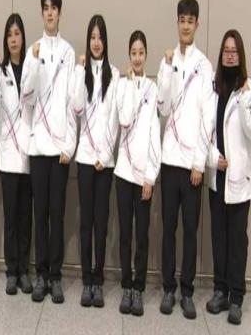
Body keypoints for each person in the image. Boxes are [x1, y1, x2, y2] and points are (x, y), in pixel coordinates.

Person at [157, 0, 215, 319]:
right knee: (168, 229)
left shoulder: (204, 66)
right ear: (177, 22)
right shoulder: (168, 61)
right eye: (182, 20)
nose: (185, 25)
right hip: (169, 160)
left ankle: (187, 291)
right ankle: (168, 289)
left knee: (190, 231)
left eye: (190, 20)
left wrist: (198, 162)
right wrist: (167, 69)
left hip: (191, 165)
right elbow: (163, 107)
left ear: (197, 24)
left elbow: (208, 118)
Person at [205, 29, 251, 325]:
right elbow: (205, 130)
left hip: (239, 181)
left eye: (234, 51)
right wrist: (211, 158)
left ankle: (237, 297)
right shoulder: (213, 88)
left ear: (240, 55)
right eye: (226, 51)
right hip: (217, 178)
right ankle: (220, 291)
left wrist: (243, 100)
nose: (230, 55)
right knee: (219, 238)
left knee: (237, 242)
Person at [25, 0, 77, 304]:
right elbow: (26, 96)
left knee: (57, 215)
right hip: (38, 149)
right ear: (41, 12)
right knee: (39, 214)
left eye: (53, 8)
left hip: (59, 152)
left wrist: (69, 146)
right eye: (45, 7)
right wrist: (33, 63)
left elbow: (72, 103)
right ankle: (41, 275)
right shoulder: (34, 50)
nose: (49, 12)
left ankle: (55, 276)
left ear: (59, 12)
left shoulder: (69, 52)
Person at [0, 13, 38, 295]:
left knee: (25, 218)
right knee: (11, 219)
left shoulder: (31, 67)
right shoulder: (0, 72)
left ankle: (24, 270)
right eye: (9, 35)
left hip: (28, 154)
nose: (13, 39)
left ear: (23, 37)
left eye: (17, 34)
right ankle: (11, 271)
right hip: (8, 157)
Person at [72, 15, 119, 308]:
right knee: (86, 222)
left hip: (105, 162)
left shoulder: (115, 75)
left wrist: (104, 154)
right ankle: (86, 280)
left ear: (105, 41)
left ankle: (99, 280)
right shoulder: (82, 72)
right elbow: (77, 108)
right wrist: (80, 71)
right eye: (92, 37)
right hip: (84, 159)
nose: (96, 42)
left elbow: (114, 119)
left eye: (100, 37)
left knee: (101, 223)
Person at [114, 30, 161, 316]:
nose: (137, 57)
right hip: (123, 172)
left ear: (146, 55)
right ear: (129, 55)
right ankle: (126, 286)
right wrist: (131, 85)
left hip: (143, 175)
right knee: (125, 234)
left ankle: (139, 288)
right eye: (133, 52)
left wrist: (150, 177)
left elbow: (154, 133)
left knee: (141, 234)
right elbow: (124, 119)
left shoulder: (153, 89)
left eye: (141, 52)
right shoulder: (122, 85)